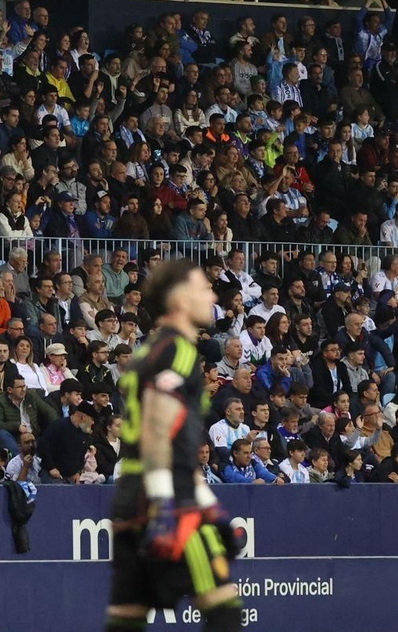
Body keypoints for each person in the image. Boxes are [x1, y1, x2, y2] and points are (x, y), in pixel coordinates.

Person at [105, 258, 243, 632]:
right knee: (224, 608)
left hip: (130, 494)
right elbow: (157, 426)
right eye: (203, 288)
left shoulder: (145, 352)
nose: (212, 295)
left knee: (126, 618)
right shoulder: (179, 351)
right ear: (180, 299)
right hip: (165, 498)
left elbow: (173, 439)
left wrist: (212, 504)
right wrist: (167, 504)